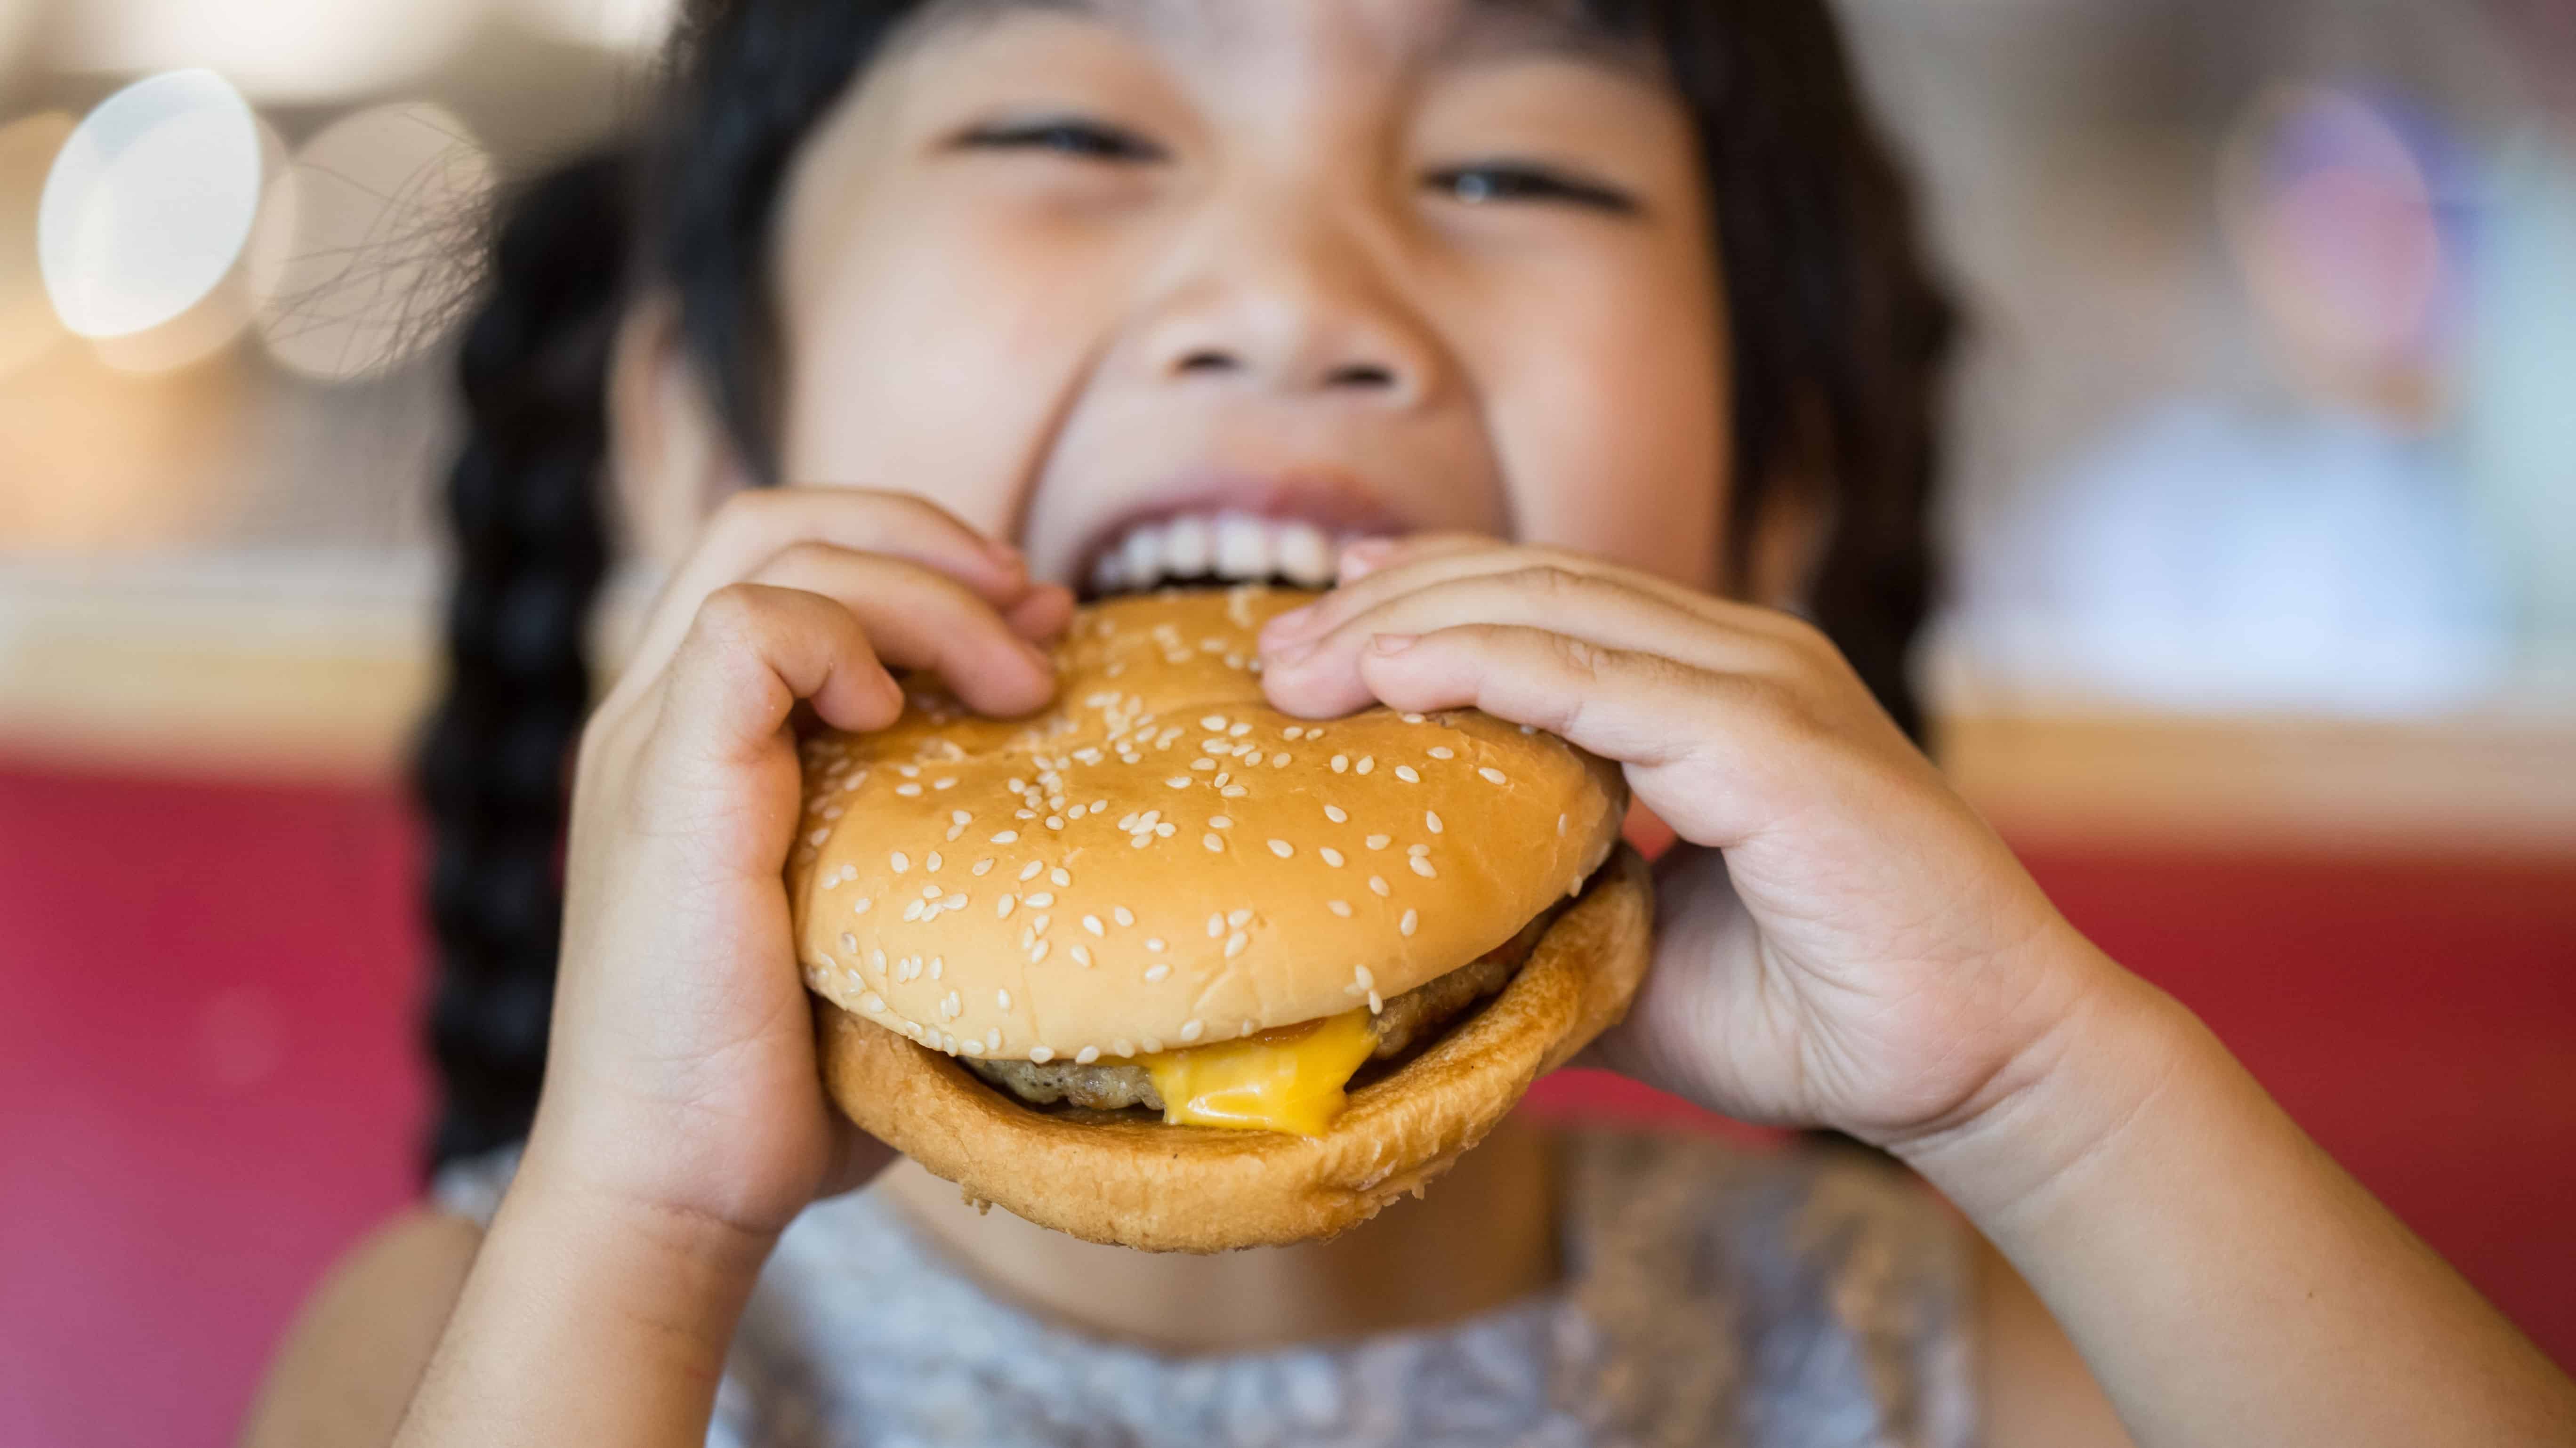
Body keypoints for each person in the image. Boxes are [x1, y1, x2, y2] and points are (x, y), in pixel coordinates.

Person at [243, 3, 2576, 1445]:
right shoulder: (518, 1319)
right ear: (687, 441)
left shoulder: (1929, 1344)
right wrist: (636, 1214)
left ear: (1772, 515)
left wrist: (2047, 1098)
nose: (1295, 297)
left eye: (1512, 168)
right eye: (1074, 130)